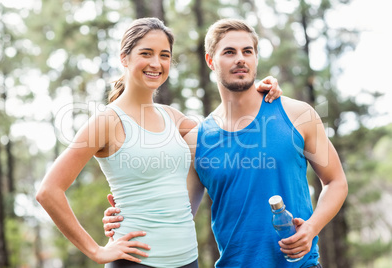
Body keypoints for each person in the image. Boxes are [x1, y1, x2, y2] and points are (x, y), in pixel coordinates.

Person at [36, 17, 282, 268]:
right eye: (146, 53)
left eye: (164, 55)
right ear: (124, 58)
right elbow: (48, 191)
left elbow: (227, 131)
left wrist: (260, 90)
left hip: (187, 260)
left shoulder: (174, 119)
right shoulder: (107, 121)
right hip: (136, 261)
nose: (156, 63)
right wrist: (96, 251)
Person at [103, 18, 348, 268]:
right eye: (229, 52)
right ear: (211, 61)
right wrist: (124, 217)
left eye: (247, 51)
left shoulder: (298, 115)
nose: (240, 58)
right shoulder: (197, 140)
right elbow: (177, 214)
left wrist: (311, 227)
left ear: (255, 59)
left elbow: (335, 181)